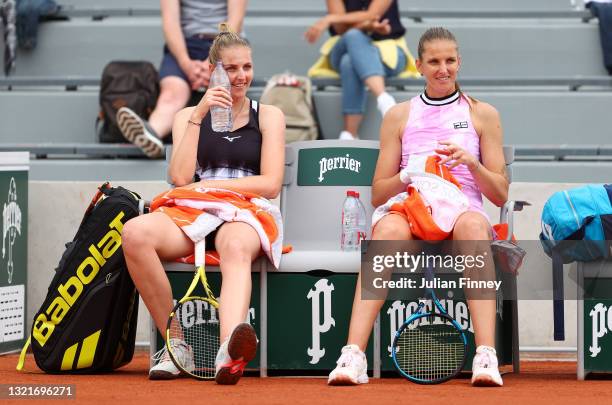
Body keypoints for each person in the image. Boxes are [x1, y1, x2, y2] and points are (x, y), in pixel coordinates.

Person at [327, 27, 509, 387]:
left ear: (459, 62)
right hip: (413, 211)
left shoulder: (483, 114)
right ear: (419, 66)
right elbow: (378, 193)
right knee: (386, 231)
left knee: (474, 228)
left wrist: (471, 165)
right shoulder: (398, 115)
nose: (443, 69)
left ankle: (486, 354)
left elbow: (500, 194)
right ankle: (353, 354)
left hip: (461, 215)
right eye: (434, 61)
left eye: (450, 60)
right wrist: (408, 175)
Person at [121, 24, 285, 384]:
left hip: (247, 209)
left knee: (236, 244)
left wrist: (213, 184)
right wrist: (199, 115)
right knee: (134, 233)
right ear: (214, 71)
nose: (241, 76)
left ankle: (228, 349)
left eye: (246, 67)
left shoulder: (269, 116)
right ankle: (177, 343)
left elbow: (271, 184)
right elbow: (180, 178)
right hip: (196, 209)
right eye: (231, 68)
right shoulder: (186, 117)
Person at [116, 0, 247, 158]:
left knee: (222, 92)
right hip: (183, 47)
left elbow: (235, 21)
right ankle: (151, 135)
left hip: (227, 44)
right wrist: (186, 63)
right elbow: (170, 22)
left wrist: (212, 62)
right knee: (172, 93)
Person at [304, 0, 419, 140]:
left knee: (349, 62)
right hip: (345, 44)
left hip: (387, 51)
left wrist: (331, 18)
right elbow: (342, 30)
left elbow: (372, 14)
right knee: (353, 37)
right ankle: (384, 99)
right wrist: (366, 25)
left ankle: (349, 134)